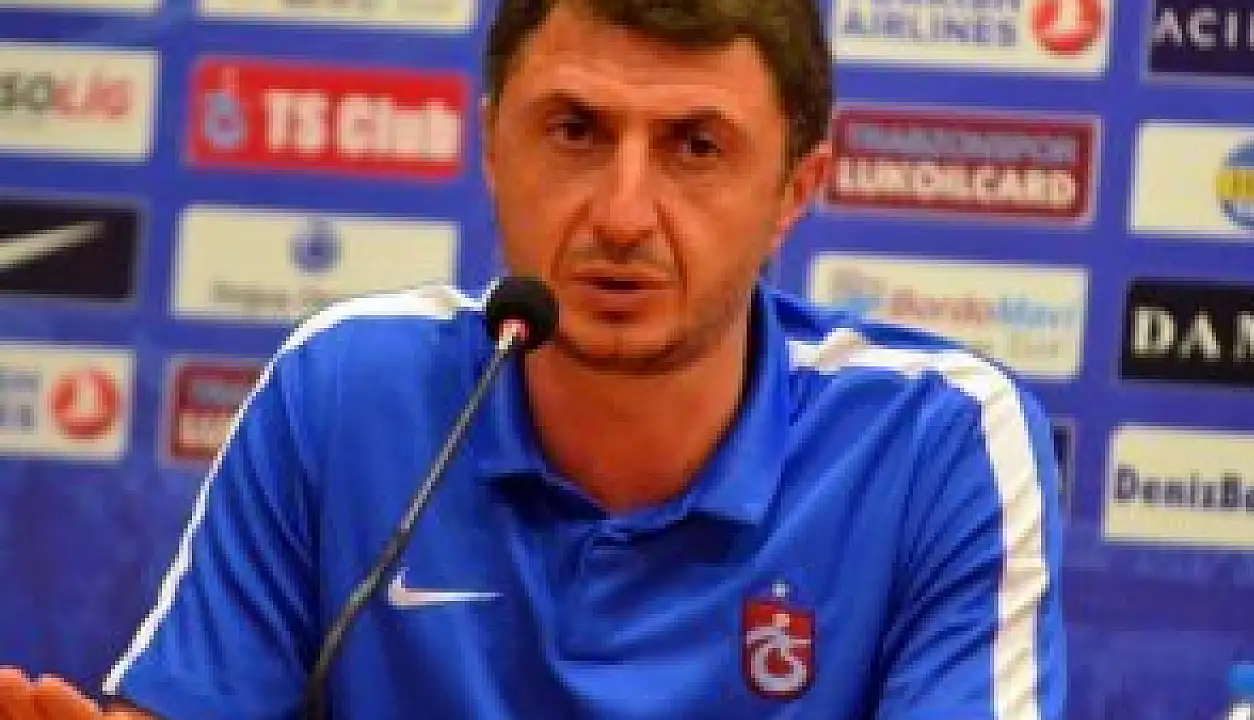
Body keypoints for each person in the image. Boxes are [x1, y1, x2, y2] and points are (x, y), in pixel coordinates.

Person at [0, 0, 1066, 717]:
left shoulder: (936, 444)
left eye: (695, 147)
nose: (622, 213)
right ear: (490, 145)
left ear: (795, 189)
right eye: (575, 131)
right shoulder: (343, 393)